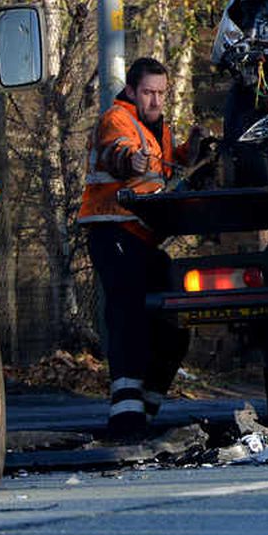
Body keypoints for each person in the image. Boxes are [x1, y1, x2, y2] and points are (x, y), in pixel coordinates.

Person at [78, 57, 198, 438]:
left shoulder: (155, 129)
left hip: (141, 237)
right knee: (128, 315)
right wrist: (133, 159)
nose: (156, 100)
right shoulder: (118, 119)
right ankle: (127, 416)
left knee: (173, 322)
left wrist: (188, 152)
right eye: (148, 92)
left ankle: (143, 409)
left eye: (162, 93)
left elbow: (159, 167)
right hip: (113, 230)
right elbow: (120, 154)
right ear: (131, 91)